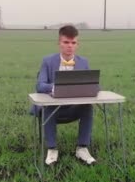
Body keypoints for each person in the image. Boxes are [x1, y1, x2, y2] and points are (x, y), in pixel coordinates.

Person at [30, 25, 96, 165]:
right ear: (59, 43)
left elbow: (94, 84)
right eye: (66, 42)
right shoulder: (47, 61)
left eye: (73, 43)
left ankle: (82, 149)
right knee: (48, 106)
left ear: (77, 44)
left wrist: (89, 88)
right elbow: (40, 85)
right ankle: (52, 149)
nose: (69, 46)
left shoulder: (83, 62)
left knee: (88, 107)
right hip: (52, 110)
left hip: (73, 109)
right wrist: (56, 87)